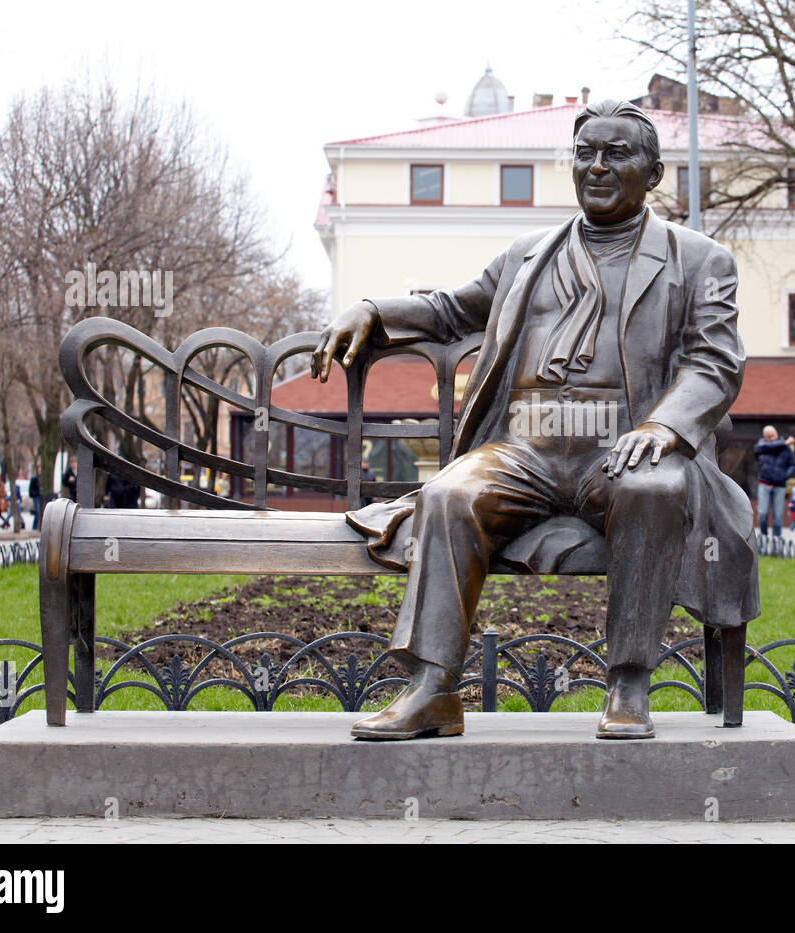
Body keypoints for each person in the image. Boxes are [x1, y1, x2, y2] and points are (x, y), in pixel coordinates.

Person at [311, 99, 758, 741]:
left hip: (624, 447)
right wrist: (373, 310)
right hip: (527, 447)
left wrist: (662, 429)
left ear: (654, 173)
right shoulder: (529, 254)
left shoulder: (698, 260)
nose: (597, 167)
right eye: (585, 154)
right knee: (447, 495)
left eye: (617, 154)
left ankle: (628, 684)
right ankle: (433, 689)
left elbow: (714, 361)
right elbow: (450, 310)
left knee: (654, 489)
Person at [753, 427, 795, 539]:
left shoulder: (786, 449)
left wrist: (785, 476)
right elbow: (765, 447)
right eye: (769, 437)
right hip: (764, 483)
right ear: (764, 437)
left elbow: (792, 465)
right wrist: (785, 443)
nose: (772, 438)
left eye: (774, 435)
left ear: (777, 433)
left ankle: (777, 539)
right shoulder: (761, 446)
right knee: (762, 513)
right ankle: (764, 536)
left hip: (779, 485)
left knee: (777, 515)